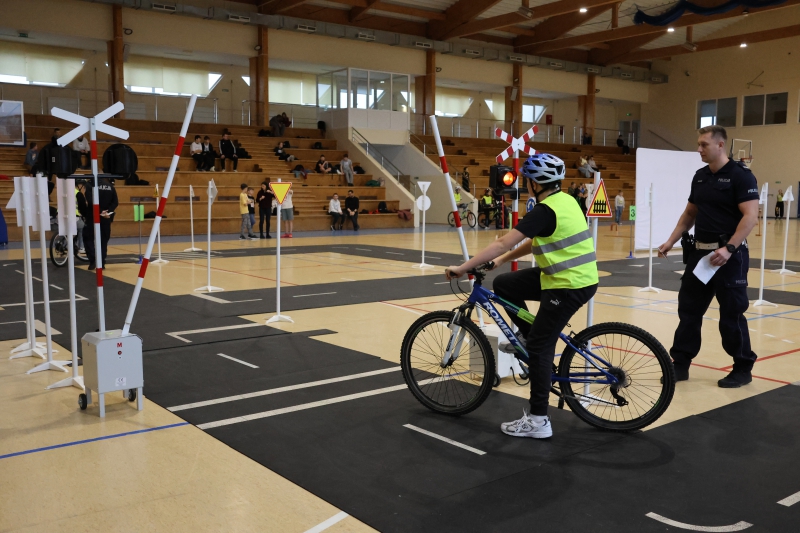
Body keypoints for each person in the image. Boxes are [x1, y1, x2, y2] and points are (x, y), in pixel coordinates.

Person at [445, 153, 598, 439]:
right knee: (506, 284)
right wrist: (501, 262)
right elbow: (537, 240)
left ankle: (539, 420)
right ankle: (528, 335)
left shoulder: (544, 210)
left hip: (568, 285)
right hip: (567, 278)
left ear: (534, 183)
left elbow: (503, 241)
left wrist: (463, 267)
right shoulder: (567, 201)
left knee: (540, 349)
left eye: (527, 180)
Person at [657, 125, 759, 388]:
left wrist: (729, 249)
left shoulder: (741, 177)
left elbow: (750, 218)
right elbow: (690, 213)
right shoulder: (700, 177)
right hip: (699, 256)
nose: (699, 149)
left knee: (731, 315)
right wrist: (671, 240)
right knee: (689, 311)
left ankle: (742, 367)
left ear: (720, 145)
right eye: (699, 144)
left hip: (729, 257)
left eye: (704, 145)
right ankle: (680, 364)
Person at [77, 175, 118, 270]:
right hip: (106, 217)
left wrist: (99, 211)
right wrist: (107, 211)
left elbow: (91, 201)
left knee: (88, 238)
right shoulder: (110, 186)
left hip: (92, 216)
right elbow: (115, 202)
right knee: (103, 240)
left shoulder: (90, 185)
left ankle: (93, 260)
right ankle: (102, 263)